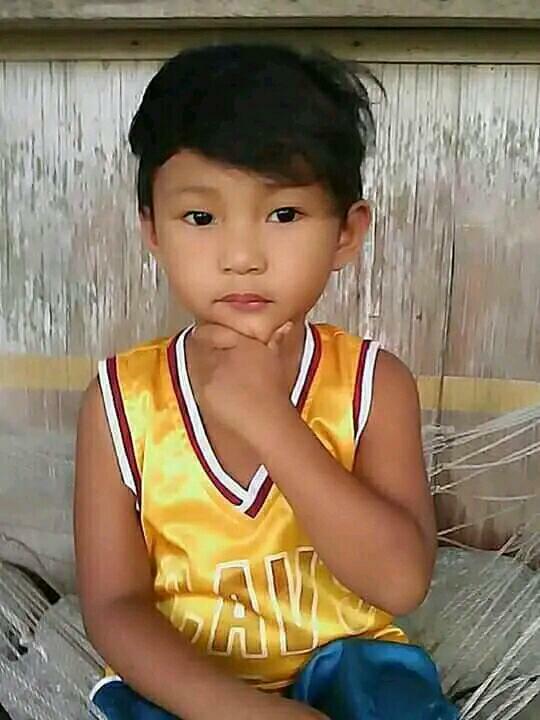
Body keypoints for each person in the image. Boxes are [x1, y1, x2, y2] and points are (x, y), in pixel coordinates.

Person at [74, 42, 458, 720]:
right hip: (187, 682)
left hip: (349, 666)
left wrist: (269, 420)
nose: (242, 257)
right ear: (153, 231)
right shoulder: (120, 401)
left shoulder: (373, 384)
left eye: (284, 215)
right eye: (200, 218)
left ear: (346, 234)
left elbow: (400, 583)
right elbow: (114, 607)